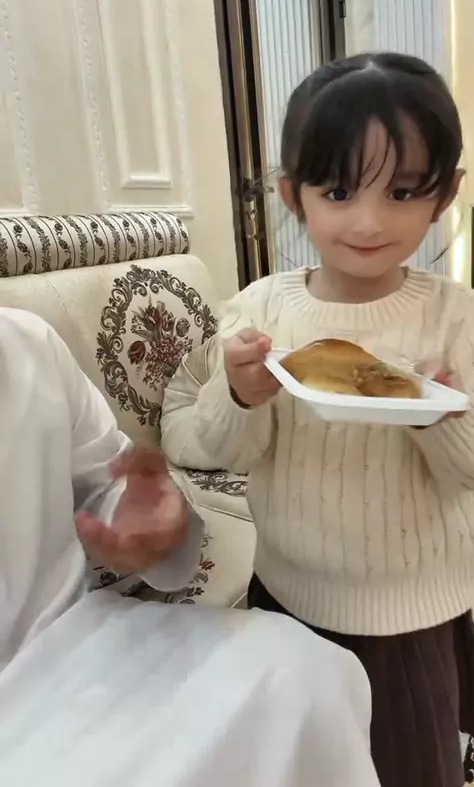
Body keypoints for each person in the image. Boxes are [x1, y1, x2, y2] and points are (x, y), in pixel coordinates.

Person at [161, 52, 474, 787]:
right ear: (292, 195)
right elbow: (201, 445)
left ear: (444, 195)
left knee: (406, 764)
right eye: (338, 190)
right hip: (285, 599)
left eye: (403, 191)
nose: (369, 220)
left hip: (407, 615)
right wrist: (240, 394)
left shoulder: (457, 320)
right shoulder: (261, 310)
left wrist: (439, 414)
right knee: (298, 765)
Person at [0, 306, 380, 787]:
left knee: (303, 669)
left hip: (73, 640)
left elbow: (108, 486)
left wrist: (156, 525)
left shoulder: (28, 343)